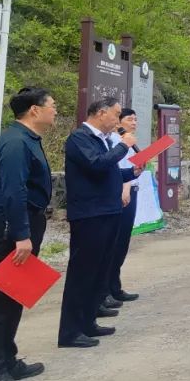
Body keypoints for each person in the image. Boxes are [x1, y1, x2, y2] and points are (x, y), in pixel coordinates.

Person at [0, 87, 56, 381]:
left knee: (15, 295)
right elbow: (13, 192)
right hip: (11, 229)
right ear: (34, 111)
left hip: (23, 224)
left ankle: (7, 360)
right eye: (51, 105)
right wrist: (22, 235)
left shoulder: (25, 139)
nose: (55, 109)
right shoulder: (14, 144)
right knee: (2, 301)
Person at [58, 97, 140, 349]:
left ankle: (88, 321)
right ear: (101, 113)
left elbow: (108, 172)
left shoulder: (101, 140)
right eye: (116, 115)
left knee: (99, 270)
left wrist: (130, 173)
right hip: (89, 215)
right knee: (82, 274)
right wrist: (124, 146)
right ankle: (70, 331)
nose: (118, 121)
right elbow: (96, 165)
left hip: (108, 211)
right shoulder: (80, 138)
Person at [99, 109, 141, 316]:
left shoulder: (129, 141)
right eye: (129, 119)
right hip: (122, 193)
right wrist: (124, 189)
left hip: (131, 188)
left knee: (122, 243)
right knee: (114, 244)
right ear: (118, 123)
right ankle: (105, 290)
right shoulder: (115, 141)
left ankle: (115, 286)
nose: (133, 122)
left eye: (135, 119)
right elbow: (117, 166)